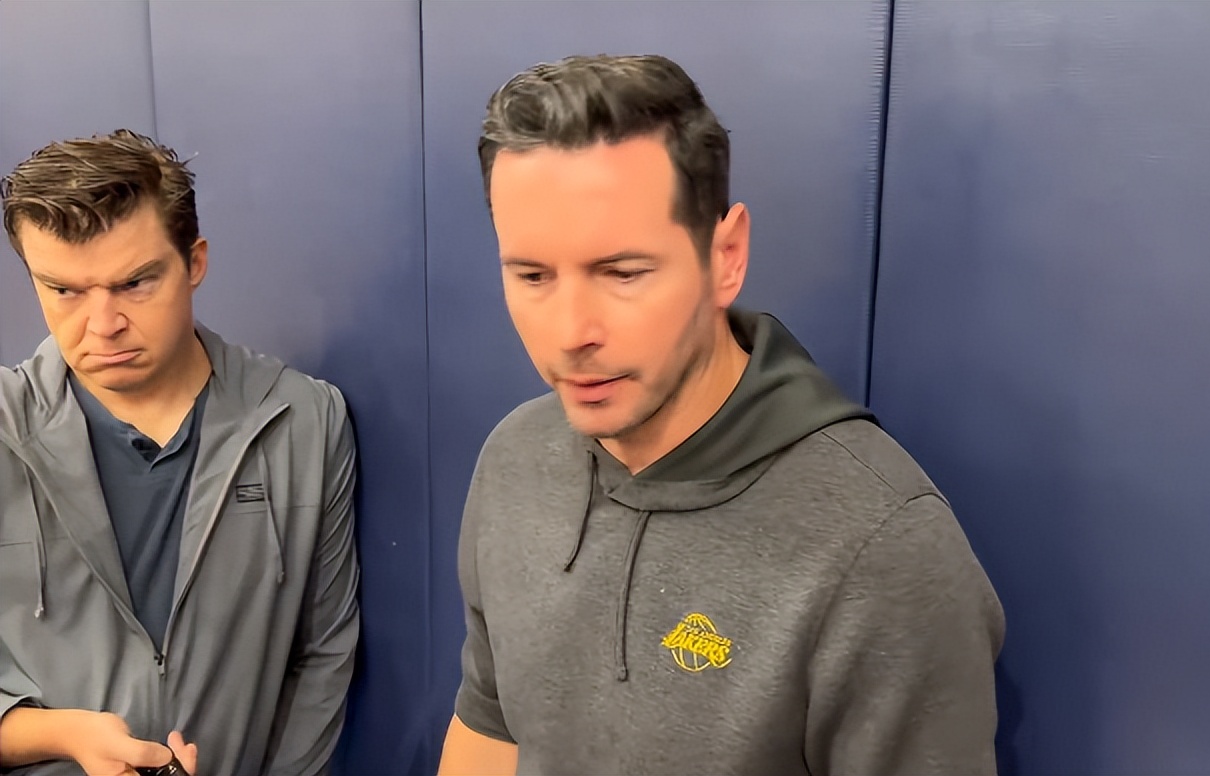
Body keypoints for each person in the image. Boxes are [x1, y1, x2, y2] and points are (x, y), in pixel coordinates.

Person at [437, 54, 1006, 775]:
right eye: (533, 276)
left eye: (623, 273)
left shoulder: (882, 546)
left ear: (726, 256)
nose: (571, 332)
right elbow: (490, 728)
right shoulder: (514, 458)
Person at [0, 130, 361, 776]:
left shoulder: (303, 420)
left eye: (135, 283)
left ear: (194, 263)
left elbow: (323, 656)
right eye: (64, 291)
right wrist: (61, 734)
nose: (102, 326)